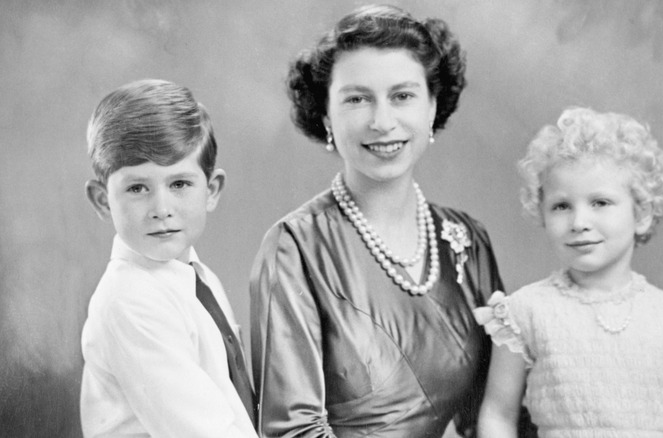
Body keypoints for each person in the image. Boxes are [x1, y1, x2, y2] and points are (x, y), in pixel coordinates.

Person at [250, 5, 536, 437]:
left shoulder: (466, 240)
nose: (382, 122)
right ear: (326, 116)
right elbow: (293, 431)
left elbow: (497, 413)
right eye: (357, 99)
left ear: (432, 106)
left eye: (402, 96)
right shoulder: (295, 246)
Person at [474, 107, 663, 437]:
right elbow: (498, 415)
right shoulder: (526, 312)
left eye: (600, 203)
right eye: (562, 206)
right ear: (542, 212)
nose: (579, 223)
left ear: (643, 213)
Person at [80, 79, 257, 437]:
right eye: (136, 188)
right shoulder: (130, 300)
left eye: (179, 184)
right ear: (102, 200)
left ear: (211, 190)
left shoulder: (195, 277)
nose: (161, 209)